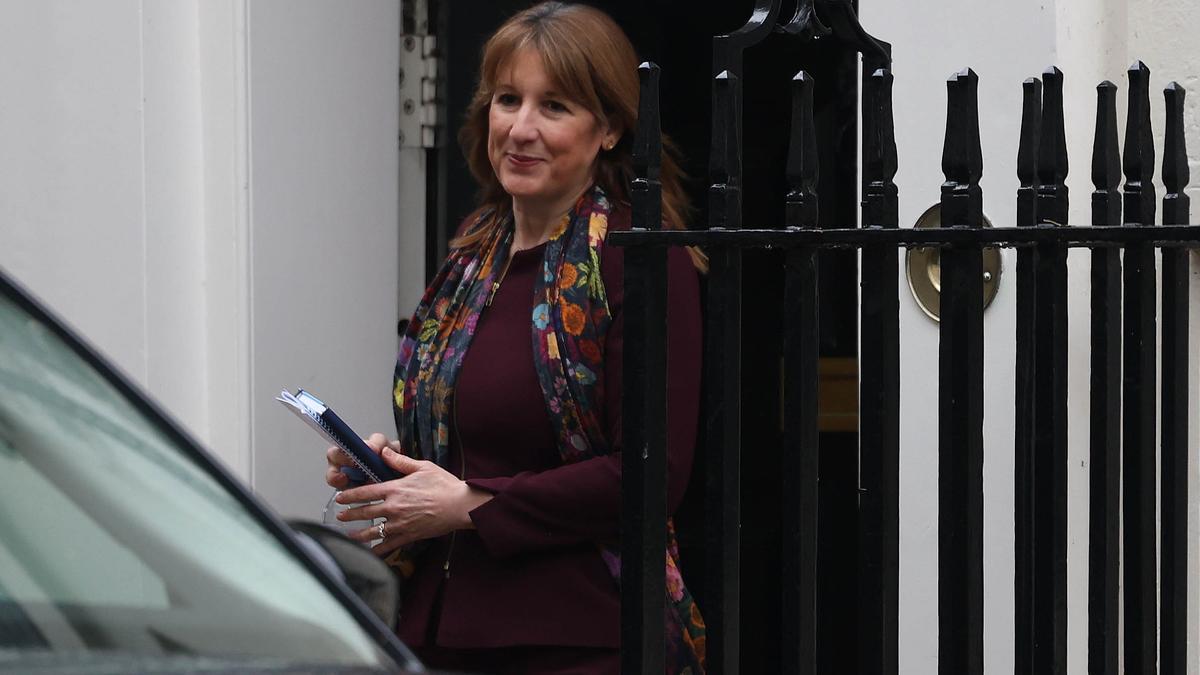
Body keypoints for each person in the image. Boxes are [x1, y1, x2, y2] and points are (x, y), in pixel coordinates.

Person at [324, 3, 705, 673]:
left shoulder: (639, 259)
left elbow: (649, 475)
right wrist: (390, 471)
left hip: (573, 638)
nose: (521, 128)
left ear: (609, 128)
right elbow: (466, 445)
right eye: (508, 99)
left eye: (554, 106)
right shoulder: (472, 259)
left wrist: (468, 506)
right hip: (431, 629)